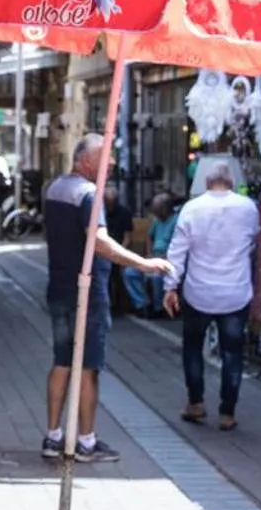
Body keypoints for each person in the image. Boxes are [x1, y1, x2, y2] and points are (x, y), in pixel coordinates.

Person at [42, 135, 172, 463]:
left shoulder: (56, 188)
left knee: (61, 361)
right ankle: (86, 442)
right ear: (86, 161)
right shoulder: (89, 194)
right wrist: (143, 264)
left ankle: (53, 435)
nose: (112, 163)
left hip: (58, 288)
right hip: (85, 293)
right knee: (88, 367)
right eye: (106, 157)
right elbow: (99, 242)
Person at [163, 163, 260, 431]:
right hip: (235, 291)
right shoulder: (248, 208)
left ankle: (196, 403)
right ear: (230, 182)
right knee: (233, 352)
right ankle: (227, 412)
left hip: (199, 291)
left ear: (206, 182)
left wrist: (170, 286)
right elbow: (253, 240)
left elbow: (177, 251)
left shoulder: (191, 209)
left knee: (193, 347)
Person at [122, 193, 177, 315]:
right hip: (154, 257)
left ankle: (159, 308)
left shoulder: (176, 221)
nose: (155, 213)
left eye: (157, 210)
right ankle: (142, 304)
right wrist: (149, 252)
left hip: (168, 259)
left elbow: (178, 245)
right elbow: (149, 236)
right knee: (129, 272)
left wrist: (164, 258)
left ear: (165, 209)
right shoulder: (157, 221)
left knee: (156, 278)